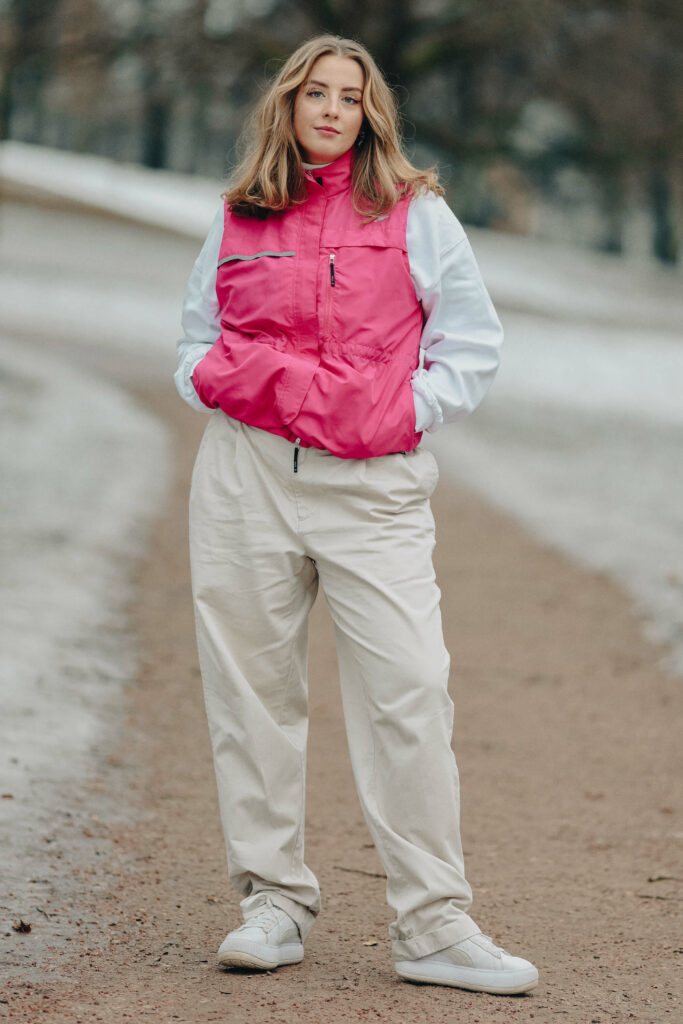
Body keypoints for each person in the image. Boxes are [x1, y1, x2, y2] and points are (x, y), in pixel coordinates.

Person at [175, 34, 538, 996]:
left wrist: (400, 413)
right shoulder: (239, 214)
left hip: (371, 486)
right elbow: (194, 338)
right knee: (251, 696)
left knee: (409, 690)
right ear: (287, 106)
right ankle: (273, 902)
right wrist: (213, 376)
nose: (332, 110)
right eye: (315, 93)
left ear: (371, 113)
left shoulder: (417, 214)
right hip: (245, 477)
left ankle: (433, 924)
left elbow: (472, 342)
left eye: (351, 95)